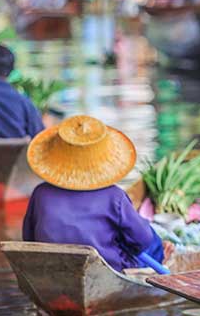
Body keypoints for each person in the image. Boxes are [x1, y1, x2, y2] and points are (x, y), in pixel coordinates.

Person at [22, 115, 168, 271]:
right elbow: (143, 240)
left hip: (50, 267)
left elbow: (29, 237)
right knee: (152, 241)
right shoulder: (115, 197)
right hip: (108, 268)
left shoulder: (40, 193)